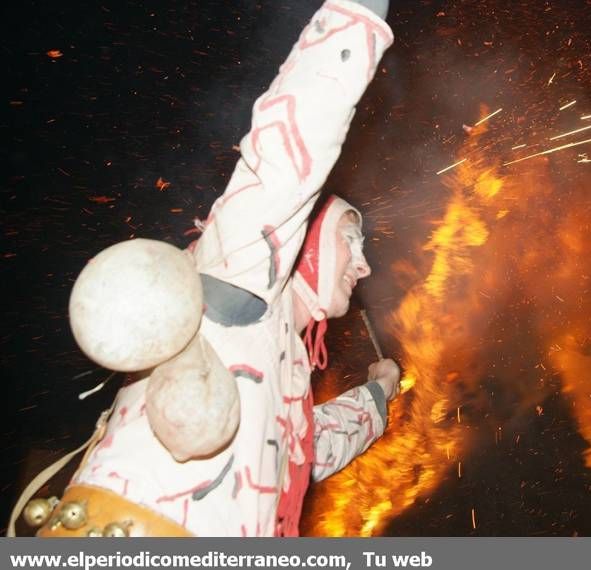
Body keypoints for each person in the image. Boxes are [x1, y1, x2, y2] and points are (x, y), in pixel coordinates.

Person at [17, 0, 397, 537]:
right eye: (350, 241)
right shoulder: (233, 275)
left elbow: (310, 445)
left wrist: (380, 391)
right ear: (304, 241)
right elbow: (293, 150)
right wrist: (358, 15)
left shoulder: (280, 355)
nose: (362, 265)